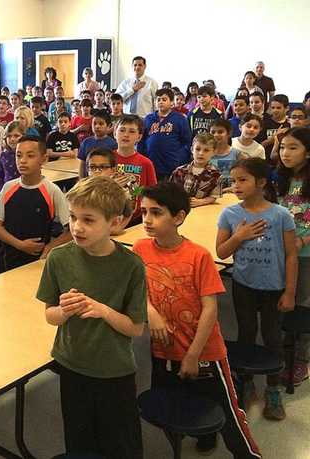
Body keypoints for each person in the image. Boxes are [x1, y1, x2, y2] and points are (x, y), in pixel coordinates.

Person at [133, 182, 262, 458]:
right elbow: (138, 290)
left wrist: (193, 355)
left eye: (156, 213)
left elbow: (210, 310)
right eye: (144, 212)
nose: (147, 220)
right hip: (164, 351)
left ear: (178, 217)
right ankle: (202, 435)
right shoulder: (140, 249)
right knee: (172, 407)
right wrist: (151, 313)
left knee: (228, 413)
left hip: (204, 351)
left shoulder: (198, 255)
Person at [37, 175, 146, 459]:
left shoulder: (131, 265)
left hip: (114, 369)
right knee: (79, 440)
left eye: (88, 220)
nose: (76, 227)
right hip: (71, 363)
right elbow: (50, 315)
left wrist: (103, 310)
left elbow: (135, 328)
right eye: (73, 217)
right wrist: (64, 310)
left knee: (121, 443)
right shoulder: (59, 258)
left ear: (115, 223)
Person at [217, 158, 298, 420]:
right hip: (244, 286)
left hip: (274, 288)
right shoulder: (230, 214)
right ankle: (246, 380)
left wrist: (289, 292)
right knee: (246, 334)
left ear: (261, 182)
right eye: (233, 180)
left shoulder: (280, 214)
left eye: (242, 180)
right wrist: (238, 237)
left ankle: (273, 388)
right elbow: (221, 251)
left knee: (273, 337)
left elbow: (290, 256)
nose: (236, 185)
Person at [0, 135, 71, 273]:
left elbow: (70, 231)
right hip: (5, 261)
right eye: (19, 155)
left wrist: (50, 246)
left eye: (30, 156)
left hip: (36, 263)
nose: (22, 161)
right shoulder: (8, 187)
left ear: (44, 159)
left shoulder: (52, 190)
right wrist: (20, 245)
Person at [277, 127, 310, 387]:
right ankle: (282, 349)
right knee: (285, 301)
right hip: (283, 251)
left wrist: (303, 240)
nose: (285, 153)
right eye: (282, 147)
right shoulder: (282, 178)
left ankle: (301, 359)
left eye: (293, 148)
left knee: (302, 305)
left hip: (305, 253)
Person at [138, 88, 192, 181]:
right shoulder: (148, 119)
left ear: (171, 102)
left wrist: (179, 159)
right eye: (158, 100)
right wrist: (142, 157)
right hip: (152, 163)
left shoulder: (180, 119)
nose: (160, 102)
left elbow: (187, 142)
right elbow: (141, 140)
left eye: (164, 99)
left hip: (172, 165)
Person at [114, 115, 157, 223]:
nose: (126, 135)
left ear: (139, 137)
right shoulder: (105, 160)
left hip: (137, 219)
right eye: (122, 130)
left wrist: (134, 191)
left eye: (132, 131)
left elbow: (152, 193)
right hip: (109, 217)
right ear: (115, 133)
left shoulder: (146, 163)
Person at [85, 148, 133, 234]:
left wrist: (117, 228)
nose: (97, 171)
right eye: (92, 167)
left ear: (113, 170)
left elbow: (128, 213)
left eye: (103, 167)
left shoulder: (121, 190)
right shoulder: (83, 188)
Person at [169, 132, 220, 207]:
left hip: (202, 210)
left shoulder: (216, 174)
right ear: (192, 150)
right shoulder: (179, 171)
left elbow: (214, 196)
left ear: (214, 152)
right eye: (198, 149)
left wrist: (201, 201)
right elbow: (170, 193)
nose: (201, 153)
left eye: (206, 150)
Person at [78, 110, 117, 178]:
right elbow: (82, 164)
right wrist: (81, 179)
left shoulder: (113, 144)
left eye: (101, 124)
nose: (97, 126)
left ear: (109, 126)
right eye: (94, 124)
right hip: (89, 179)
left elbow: (114, 165)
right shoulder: (86, 142)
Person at [209, 119, 242, 191]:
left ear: (229, 133)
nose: (216, 135)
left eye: (220, 132)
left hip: (231, 193)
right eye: (213, 132)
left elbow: (242, 177)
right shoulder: (206, 154)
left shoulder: (237, 154)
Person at [0, 121, 24, 191]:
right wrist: (1, 191)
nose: (12, 139)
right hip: (8, 191)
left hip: (24, 191)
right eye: (9, 136)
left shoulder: (27, 155)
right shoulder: (4, 155)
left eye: (16, 136)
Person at [261, 94, 290, 161]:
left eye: (278, 108)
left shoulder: (290, 124)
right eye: (273, 108)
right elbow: (258, 146)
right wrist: (273, 138)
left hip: (284, 161)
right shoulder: (264, 122)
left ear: (287, 108)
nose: (275, 110)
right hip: (266, 161)